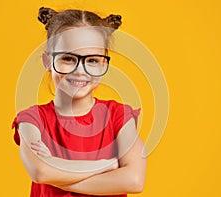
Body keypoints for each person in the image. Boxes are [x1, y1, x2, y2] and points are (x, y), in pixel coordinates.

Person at [12, 7, 146, 197]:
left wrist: (58, 175)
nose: (80, 70)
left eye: (92, 60)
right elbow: (40, 172)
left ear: (104, 64)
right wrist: (106, 165)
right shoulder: (32, 120)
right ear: (47, 60)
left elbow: (134, 180)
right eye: (68, 58)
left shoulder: (119, 116)